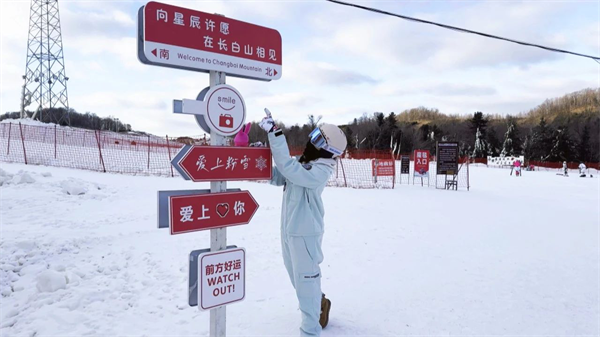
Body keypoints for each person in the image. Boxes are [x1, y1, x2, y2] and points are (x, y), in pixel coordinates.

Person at [259, 110, 347, 337]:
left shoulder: (320, 170)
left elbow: (290, 170)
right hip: (288, 229)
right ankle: (319, 302)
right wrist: (254, 163)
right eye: (314, 135)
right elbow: (280, 175)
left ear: (330, 151)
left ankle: (310, 330)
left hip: (305, 232)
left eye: (318, 140)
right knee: (296, 278)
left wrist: (275, 134)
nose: (311, 142)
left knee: (306, 281)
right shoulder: (305, 162)